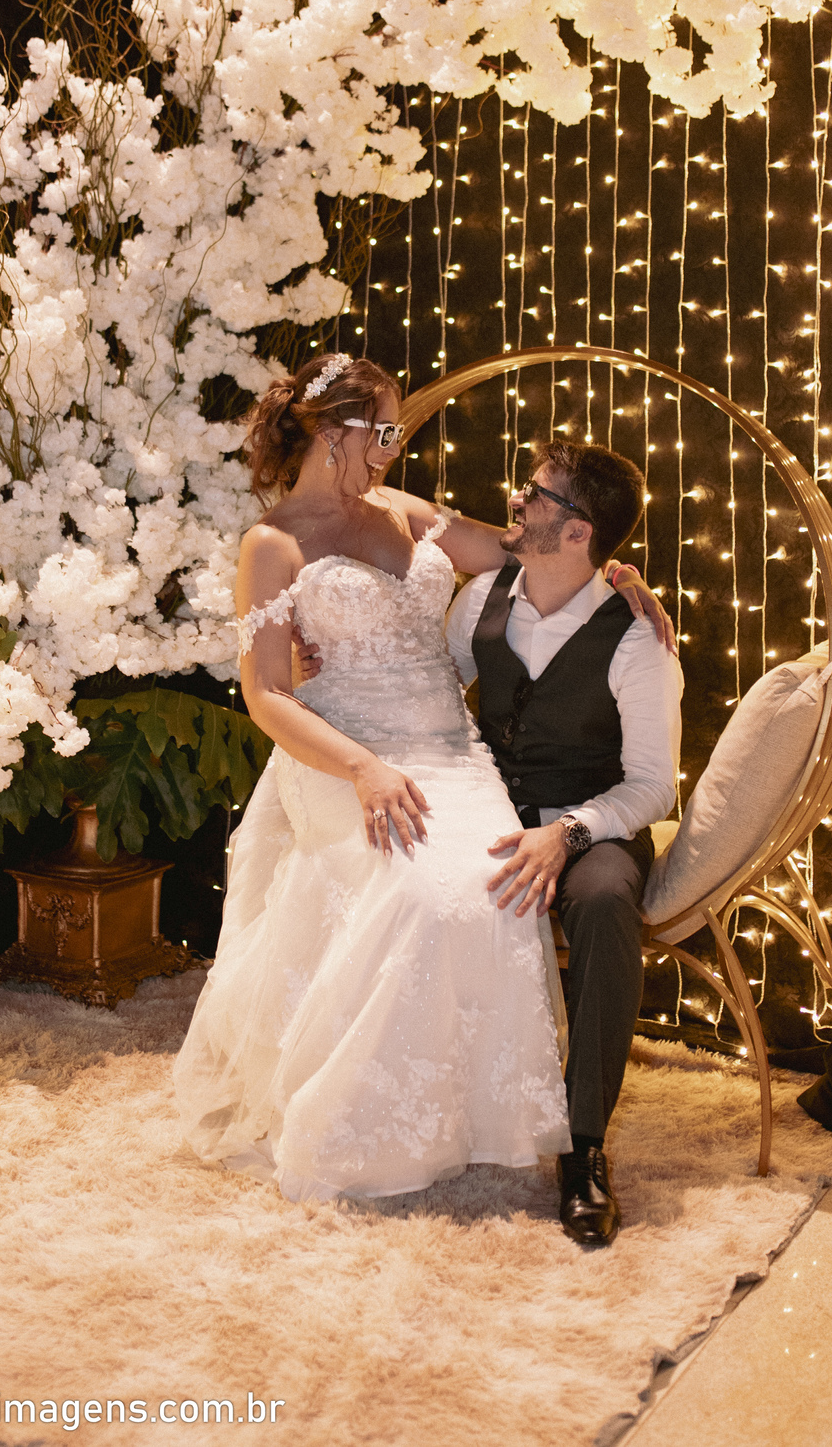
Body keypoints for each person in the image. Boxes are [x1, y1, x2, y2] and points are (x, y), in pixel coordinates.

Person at [174, 353, 669, 1205]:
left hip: (450, 750)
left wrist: (621, 573)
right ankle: (366, 1119)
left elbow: (531, 544)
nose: (395, 446)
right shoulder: (271, 544)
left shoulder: (405, 510)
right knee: (421, 896)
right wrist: (362, 766)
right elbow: (265, 694)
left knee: (492, 889)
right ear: (334, 433)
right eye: (384, 430)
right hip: (341, 751)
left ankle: (471, 1118)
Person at [444, 441, 683, 1246]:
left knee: (608, 904)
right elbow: (431, 693)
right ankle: (447, 1105)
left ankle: (584, 1149)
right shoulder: (479, 599)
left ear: (579, 532)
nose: (517, 500)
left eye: (537, 495)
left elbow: (653, 786)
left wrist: (568, 831)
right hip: (489, 808)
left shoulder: (637, 639)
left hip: (594, 820)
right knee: (414, 878)